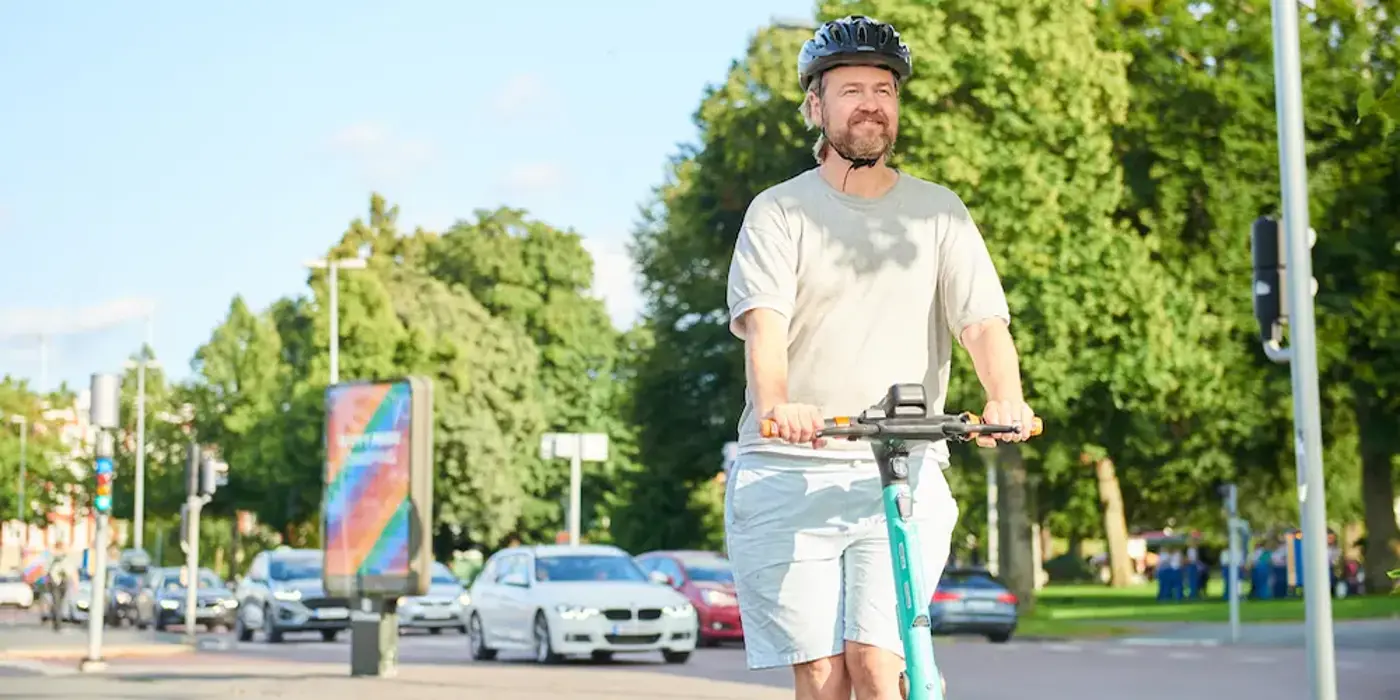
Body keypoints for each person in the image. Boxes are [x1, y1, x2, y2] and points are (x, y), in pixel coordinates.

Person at [723, 15, 1036, 700]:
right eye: (852, 88)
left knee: (879, 660)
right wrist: (779, 406)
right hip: (792, 468)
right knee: (826, 675)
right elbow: (764, 327)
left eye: (885, 89)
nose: (872, 102)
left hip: (906, 465)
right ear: (816, 106)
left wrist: (1004, 398)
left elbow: (982, 323)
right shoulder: (778, 213)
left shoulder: (939, 213)